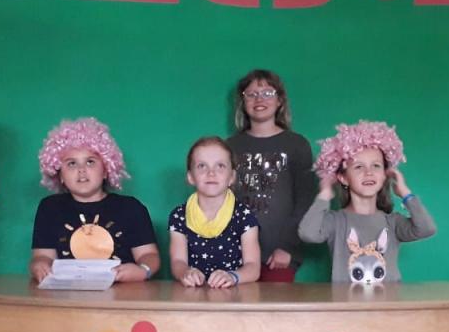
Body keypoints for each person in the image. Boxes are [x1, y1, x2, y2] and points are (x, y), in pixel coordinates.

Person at [298, 120, 436, 284]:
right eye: (359, 167)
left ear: (385, 175)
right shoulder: (335, 221)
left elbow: (427, 229)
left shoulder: (393, 222)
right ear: (343, 178)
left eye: (376, 166)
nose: (368, 172)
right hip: (346, 301)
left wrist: (405, 193)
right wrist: (324, 196)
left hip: (388, 300)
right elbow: (308, 233)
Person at [29, 118, 160, 283]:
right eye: (71, 163)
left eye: (90, 162)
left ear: (106, 170)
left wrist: (143, 270)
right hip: (67, 293)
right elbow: (42, 256)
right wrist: (40, 265)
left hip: (122, 291)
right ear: (60, 175)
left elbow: (149, 254)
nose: (81, 170)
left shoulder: (130, 208)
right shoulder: (50, 208)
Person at [226, 69, 315, 283]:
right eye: (252, 94)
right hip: (236, 253)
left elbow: (305, 201)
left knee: (276, 304)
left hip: (280, 254)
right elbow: (220, 200)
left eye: (267, 93)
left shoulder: (297, 145)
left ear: (279, 101)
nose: (259, 99)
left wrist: (289, 247)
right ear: (243, 102)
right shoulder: (230, 146)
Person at [168, 136, 260, 288]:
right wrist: (185, 272)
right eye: (202, 166)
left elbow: (253, 267)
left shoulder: (244, 216)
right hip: (193, 294)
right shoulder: (179, 216)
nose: (211, 173)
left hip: (234, 294)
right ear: (190, 177)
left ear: (232, 177)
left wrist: (233, 277)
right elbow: (178, 261)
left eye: (220, 166)